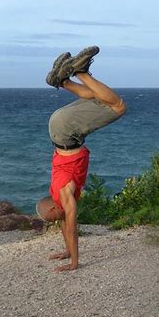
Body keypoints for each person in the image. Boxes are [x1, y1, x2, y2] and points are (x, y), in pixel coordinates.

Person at [36, 46, 126, 271]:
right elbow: (66, 226)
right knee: (99, 98)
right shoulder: (58, 194)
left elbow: (72, 227)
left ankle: (80, 72)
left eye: (53, 219)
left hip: (66, 131)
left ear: (52, 209)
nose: (57, 221)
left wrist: (74, 263)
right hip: (61, 131)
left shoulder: (64, 193)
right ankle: (62, 81)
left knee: (118, 106)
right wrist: (66, 252)